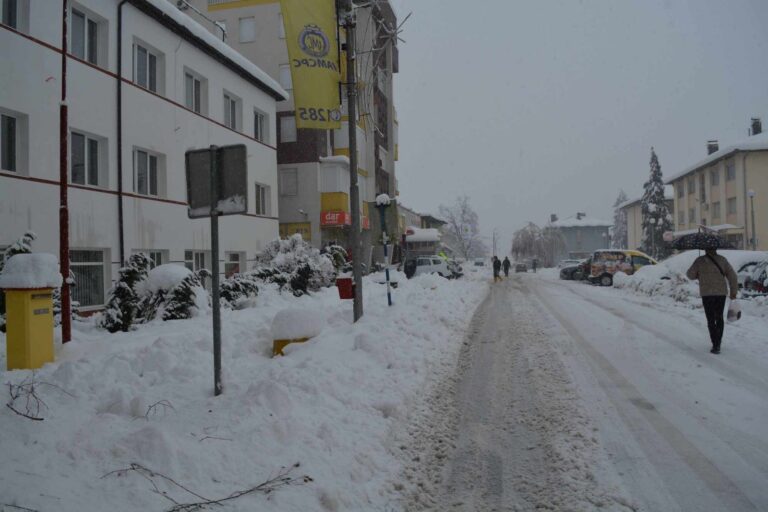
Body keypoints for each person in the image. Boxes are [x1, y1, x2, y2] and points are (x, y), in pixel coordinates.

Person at [686, 248, 738, 354]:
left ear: (705, 250)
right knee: (719, 317)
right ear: (716, 249)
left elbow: (690, 275)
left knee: (710, 319)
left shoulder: (700, 261)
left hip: (707, 294)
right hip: (720, 293)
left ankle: (715, 343)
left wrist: (698, 274)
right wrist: (733, 292)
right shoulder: (722, 260)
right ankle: (718, 342)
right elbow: (733, 276)